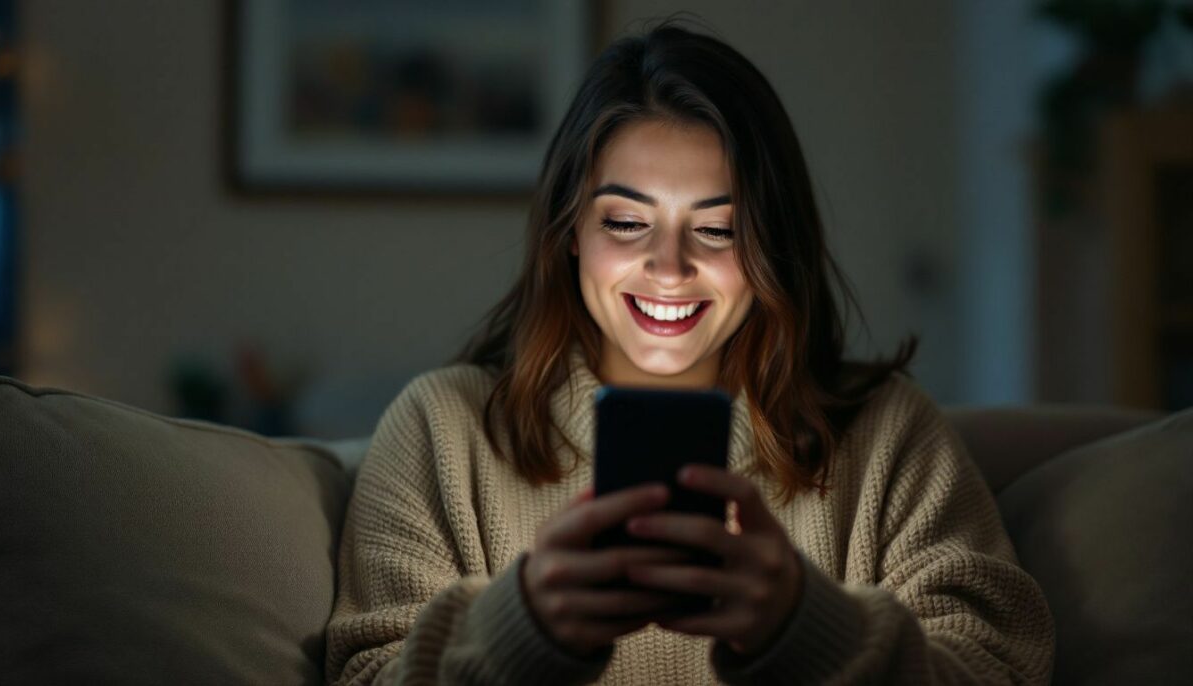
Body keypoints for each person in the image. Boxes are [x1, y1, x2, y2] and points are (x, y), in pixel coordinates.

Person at [325, 22, 1055, 686]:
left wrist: (808, 627)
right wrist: (519, 631)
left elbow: (1000, 668)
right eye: (627, 222)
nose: (669, 267)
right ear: (570, 230)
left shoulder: (885, 434)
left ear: (772, 243)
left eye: (718, 230)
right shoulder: (440, 429)